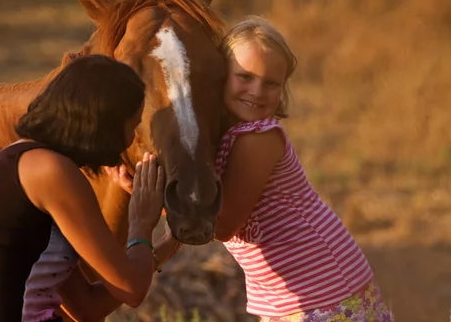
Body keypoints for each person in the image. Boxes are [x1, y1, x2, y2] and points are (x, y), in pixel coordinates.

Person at [107, 17, 395, 321]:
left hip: (325, 290)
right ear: (221, 76)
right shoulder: (226, 135)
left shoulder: (258, 139)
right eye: (245, 77)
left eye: (271, 83)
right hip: (289, 295)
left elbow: (222, 224)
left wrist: (150, 202)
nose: (257, 91)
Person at [0, 54, 179, 322]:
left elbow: (87, 307)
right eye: (131, 127)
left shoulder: (23, 168)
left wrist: (171, 240)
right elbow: (132, 289)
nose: (131, 140)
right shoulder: (50, 171)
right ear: (102, 125)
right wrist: (141, 221)